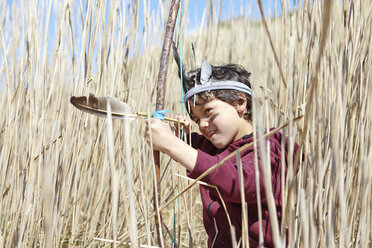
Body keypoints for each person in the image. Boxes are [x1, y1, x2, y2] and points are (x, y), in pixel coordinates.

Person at [145, 56, 296, 247]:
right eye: (197, 120)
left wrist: (173, 145)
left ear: (240, 103)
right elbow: (195, 151)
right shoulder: (214, 147)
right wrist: (172, 135)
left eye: (208, 111)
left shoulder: (269, 148)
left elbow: (238, 182)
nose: (203, 125)